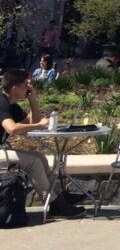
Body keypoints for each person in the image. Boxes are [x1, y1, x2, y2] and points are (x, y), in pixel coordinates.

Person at [1, 70, 86, 218]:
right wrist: (39, 125)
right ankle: (55, 204)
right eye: (25, 85)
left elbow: (33, 121)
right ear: (14, 88)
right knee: (33, 162)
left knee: (40, 157)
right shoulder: (1, 103)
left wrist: (32, 100)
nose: (28, 87)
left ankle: (60, 197)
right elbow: (12, 128)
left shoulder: (12, 105)